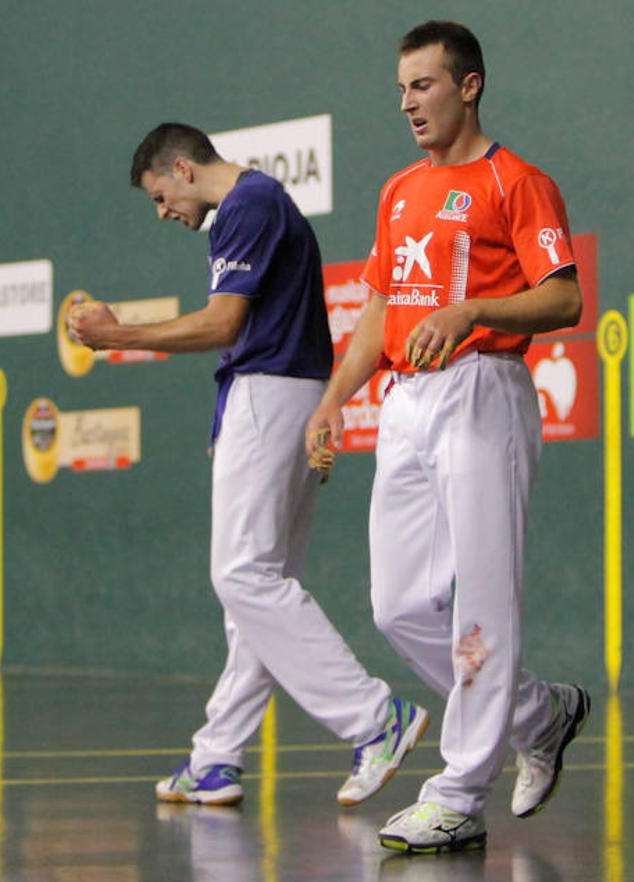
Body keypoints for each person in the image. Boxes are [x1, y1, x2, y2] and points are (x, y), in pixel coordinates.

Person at [70, 122, 428, 808]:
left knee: (240, 575)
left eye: (158, 195)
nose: (162, 211)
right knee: (258, 594)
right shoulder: (255, 207)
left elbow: (223, 325)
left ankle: (375, 718)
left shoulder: (247, 204)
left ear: (182, 166)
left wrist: (115, 336)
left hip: (269, 397)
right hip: (279, 397)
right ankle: (216, 758)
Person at [304, 21, 590, 853]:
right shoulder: (398, 192)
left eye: (423, 86)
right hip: (405, 402)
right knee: (396, 605)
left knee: (483, 600)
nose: (407, 103)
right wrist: (333, 401)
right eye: (400, 89)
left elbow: (563, 299)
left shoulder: (517, 182)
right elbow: (381, 313)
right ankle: (542, 715)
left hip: (483, 393)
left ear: (468, 86)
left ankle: (460, 789)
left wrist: (472, 310)